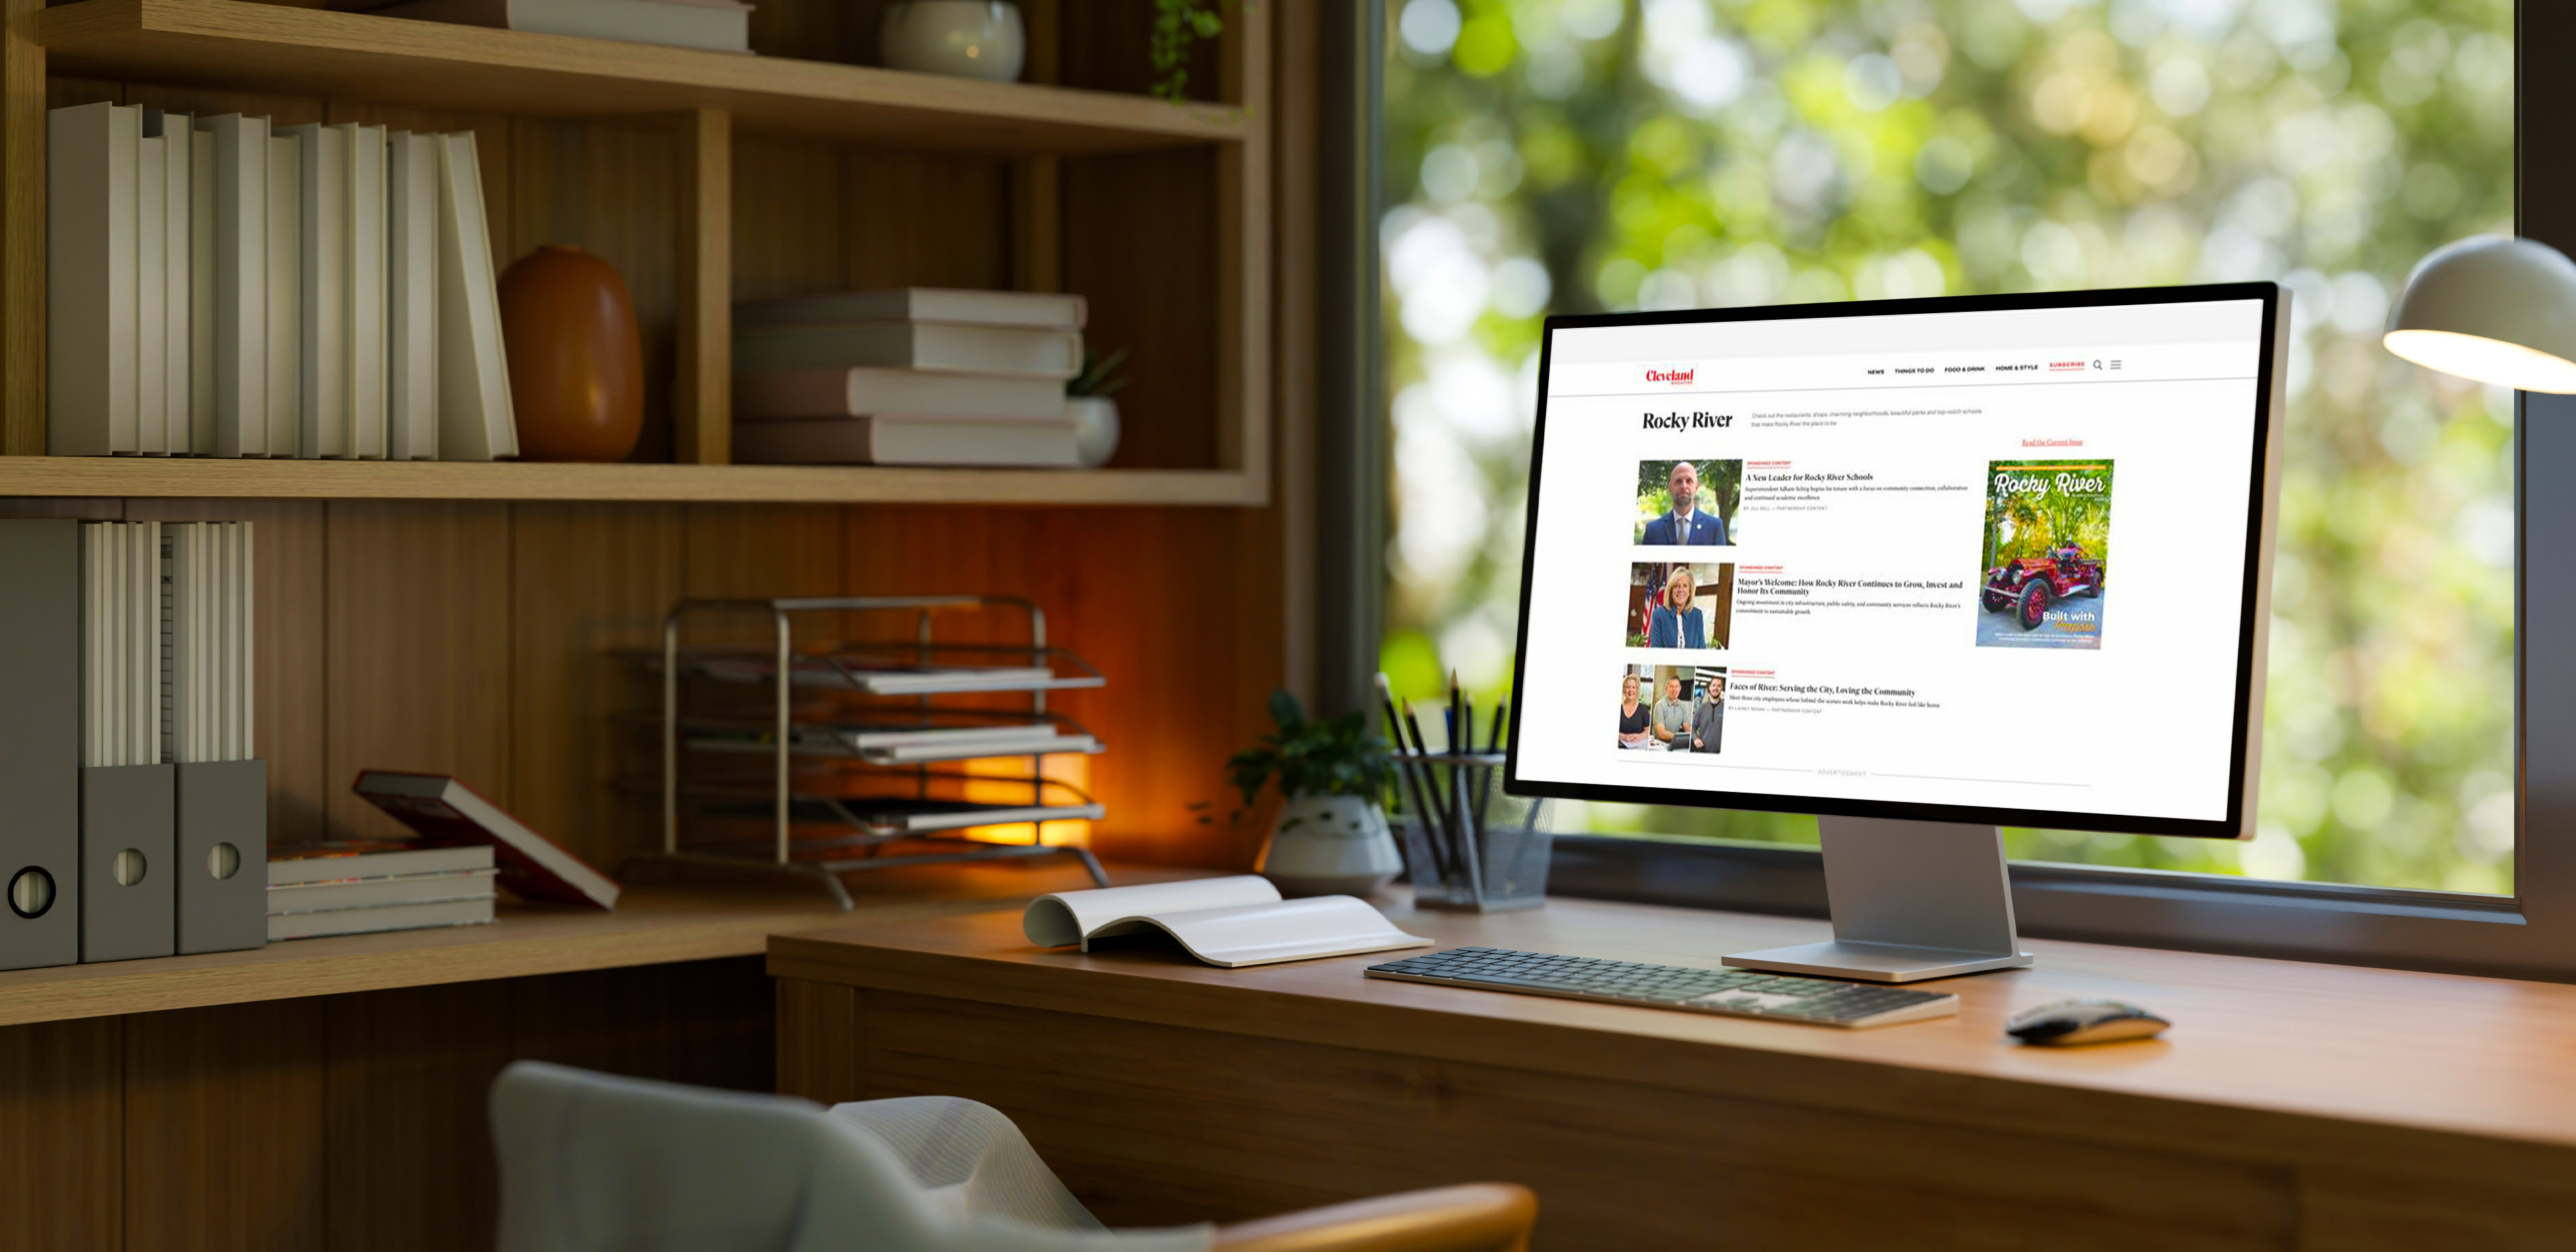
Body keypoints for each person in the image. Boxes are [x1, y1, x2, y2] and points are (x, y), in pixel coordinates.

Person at [1640, 461, 1730, 545]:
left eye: (1689, 481)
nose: (1684, 486)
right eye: (1678, 481)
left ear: (1696, 487)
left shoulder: (1714, 528)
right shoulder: (1653, 531)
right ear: (1670, 488)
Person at [1646, 566, 1707, 649]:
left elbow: (1702, 650)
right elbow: (1656, 652)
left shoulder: (1697, 615)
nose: (1680, 590)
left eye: (1685, 586)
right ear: (1671, 591)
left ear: (1690, 591)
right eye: (1676, 586)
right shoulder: (1659, 615)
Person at [1652, 673, 1694, 748]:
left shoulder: (1682, 705)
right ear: (1666, 689)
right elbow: (1661, 733)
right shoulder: (1660, 706)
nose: (1674, 690)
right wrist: (1679, 738)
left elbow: (1686, 726)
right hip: (1659, 745)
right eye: (1671, 687)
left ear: (1680, 688)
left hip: (1674, 743)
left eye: (1677, 686)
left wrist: (1691, 732)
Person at [1690, 675, 1725, 754]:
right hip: (1703, 751)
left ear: (1721, 689)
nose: (1716, 688)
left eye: (1719, 686)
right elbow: (1692, 727)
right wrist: (1695, 739)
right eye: (1714, 685)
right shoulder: (1702, 708)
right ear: (1710, 688)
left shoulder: (1725, 708)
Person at [1617, 673, 1651, 748]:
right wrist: (1623, 737)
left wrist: (1640, 736)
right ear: (1624, 689)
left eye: (1633, 687)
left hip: (1638, 749)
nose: (1631, 690)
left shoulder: (1643, 710)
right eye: (1628, 687)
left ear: (1637, 690)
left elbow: (1648, 730)